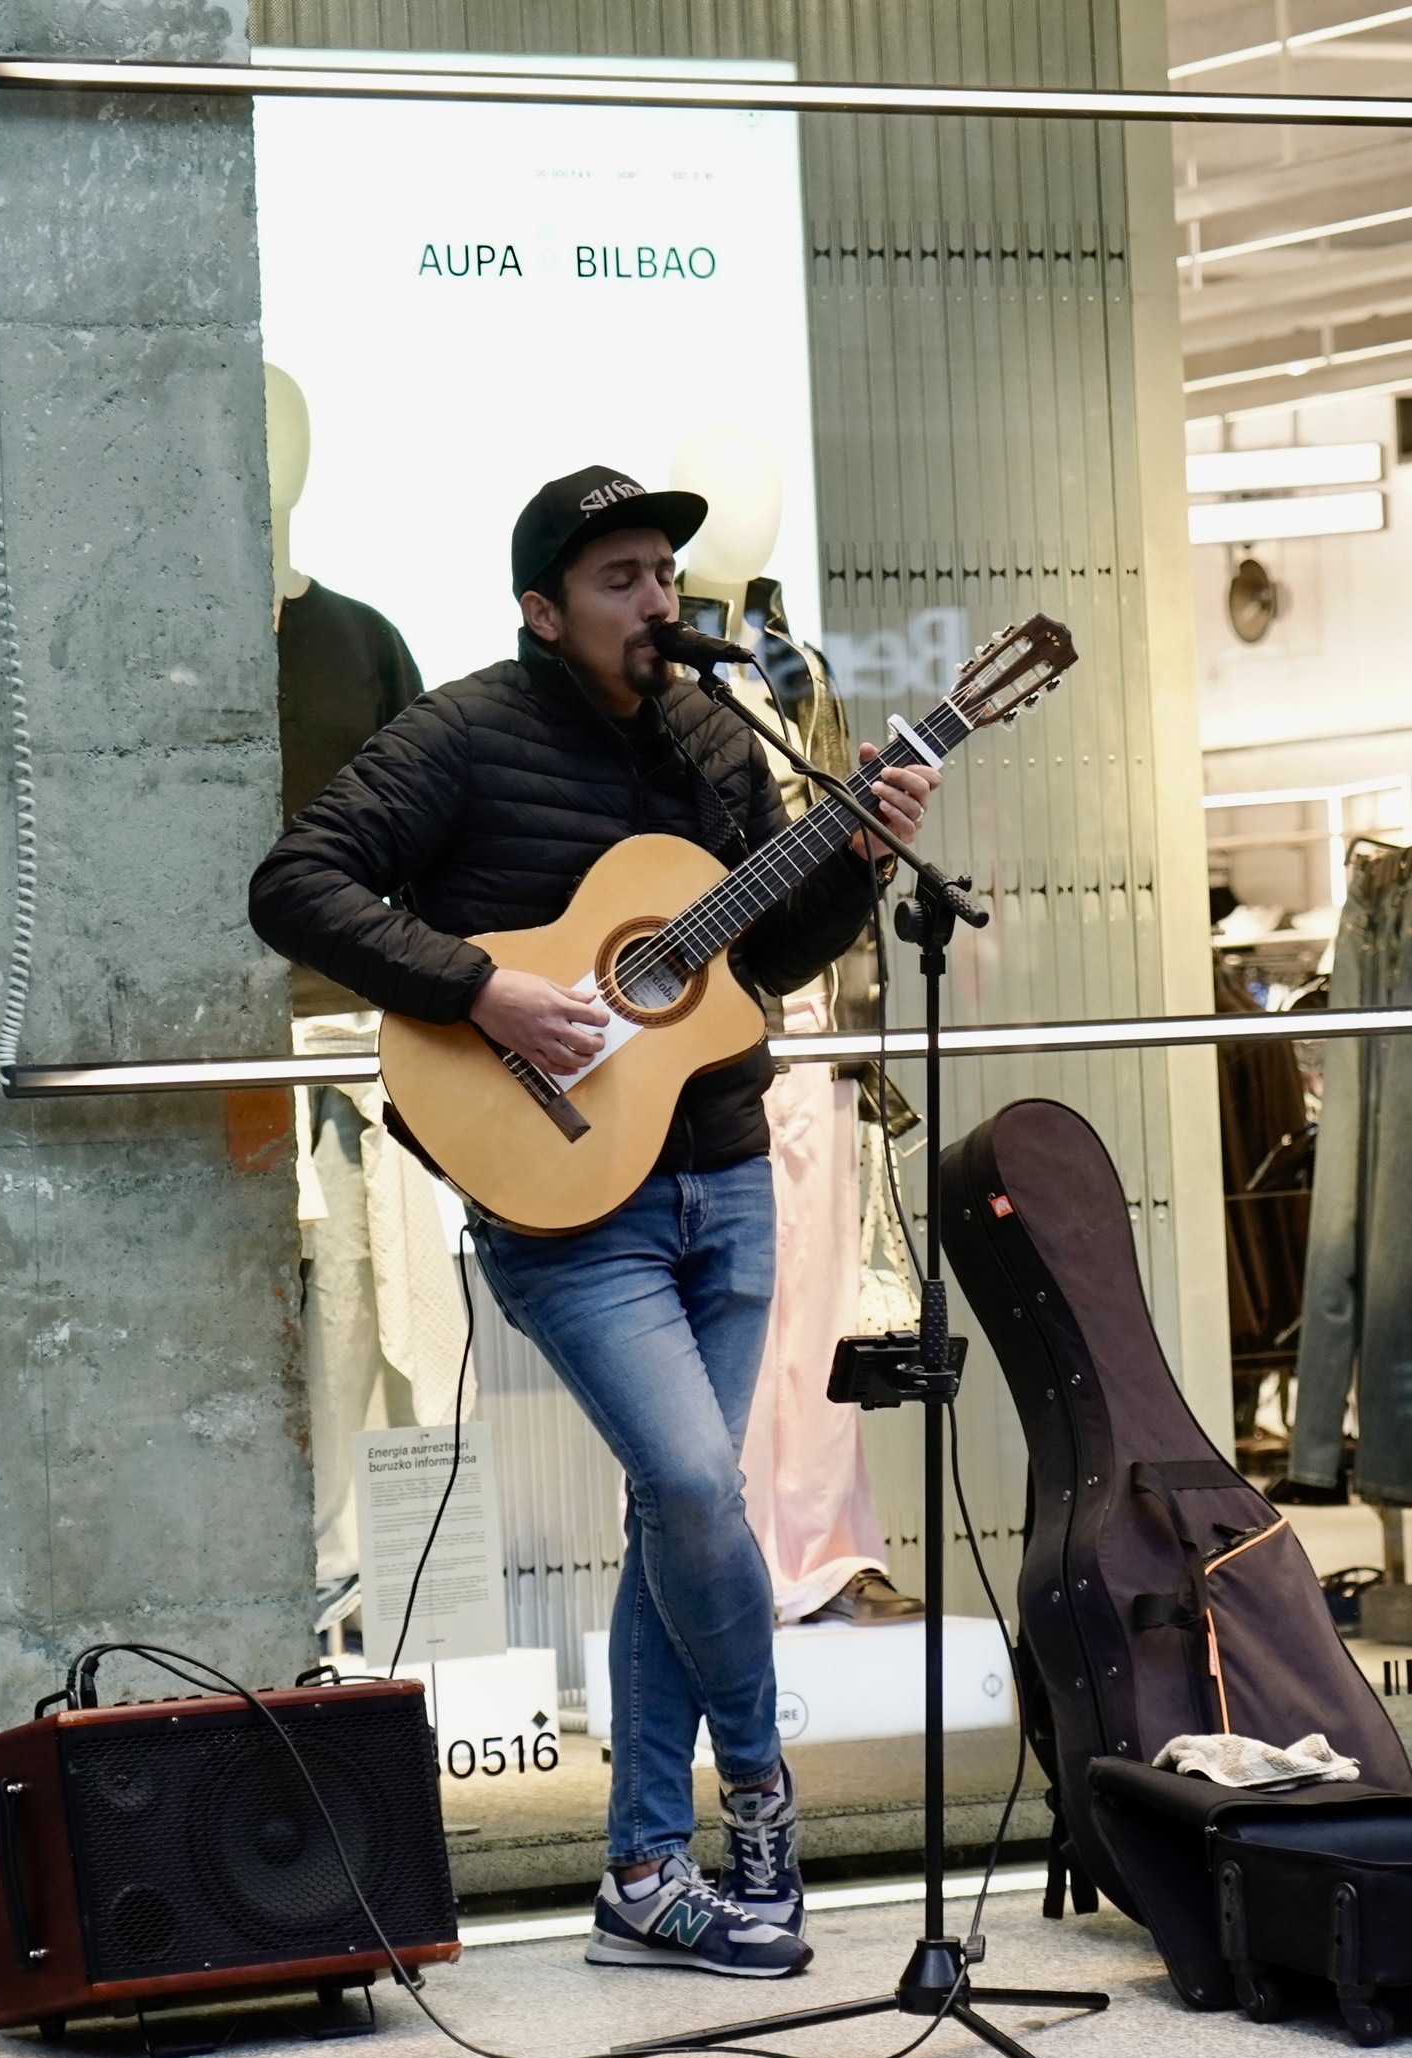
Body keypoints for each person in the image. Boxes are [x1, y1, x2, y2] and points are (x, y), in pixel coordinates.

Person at [251, 467, 940, 1980]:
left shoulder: (713, 737)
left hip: (723, 1165)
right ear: (541, 609)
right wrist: (482, 986)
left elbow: (763, 957)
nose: (657, 602)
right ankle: (760, 1799)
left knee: (670, 1517)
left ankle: (641, 1873)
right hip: (567, 1200)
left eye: (663, 574)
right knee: (701, 1490)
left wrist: (864, 859)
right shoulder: (461, 735)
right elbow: (296, 882)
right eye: (622, 577)